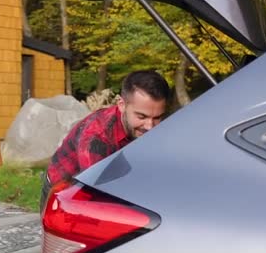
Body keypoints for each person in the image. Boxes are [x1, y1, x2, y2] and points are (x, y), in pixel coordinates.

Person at [40, 70, 170, 212]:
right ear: (122, 104)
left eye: (157, 117)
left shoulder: (145, 128)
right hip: (65, 193)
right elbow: (98, 196)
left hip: (110, 181)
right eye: (141, 116)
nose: (150, 126)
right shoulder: (96, 139)